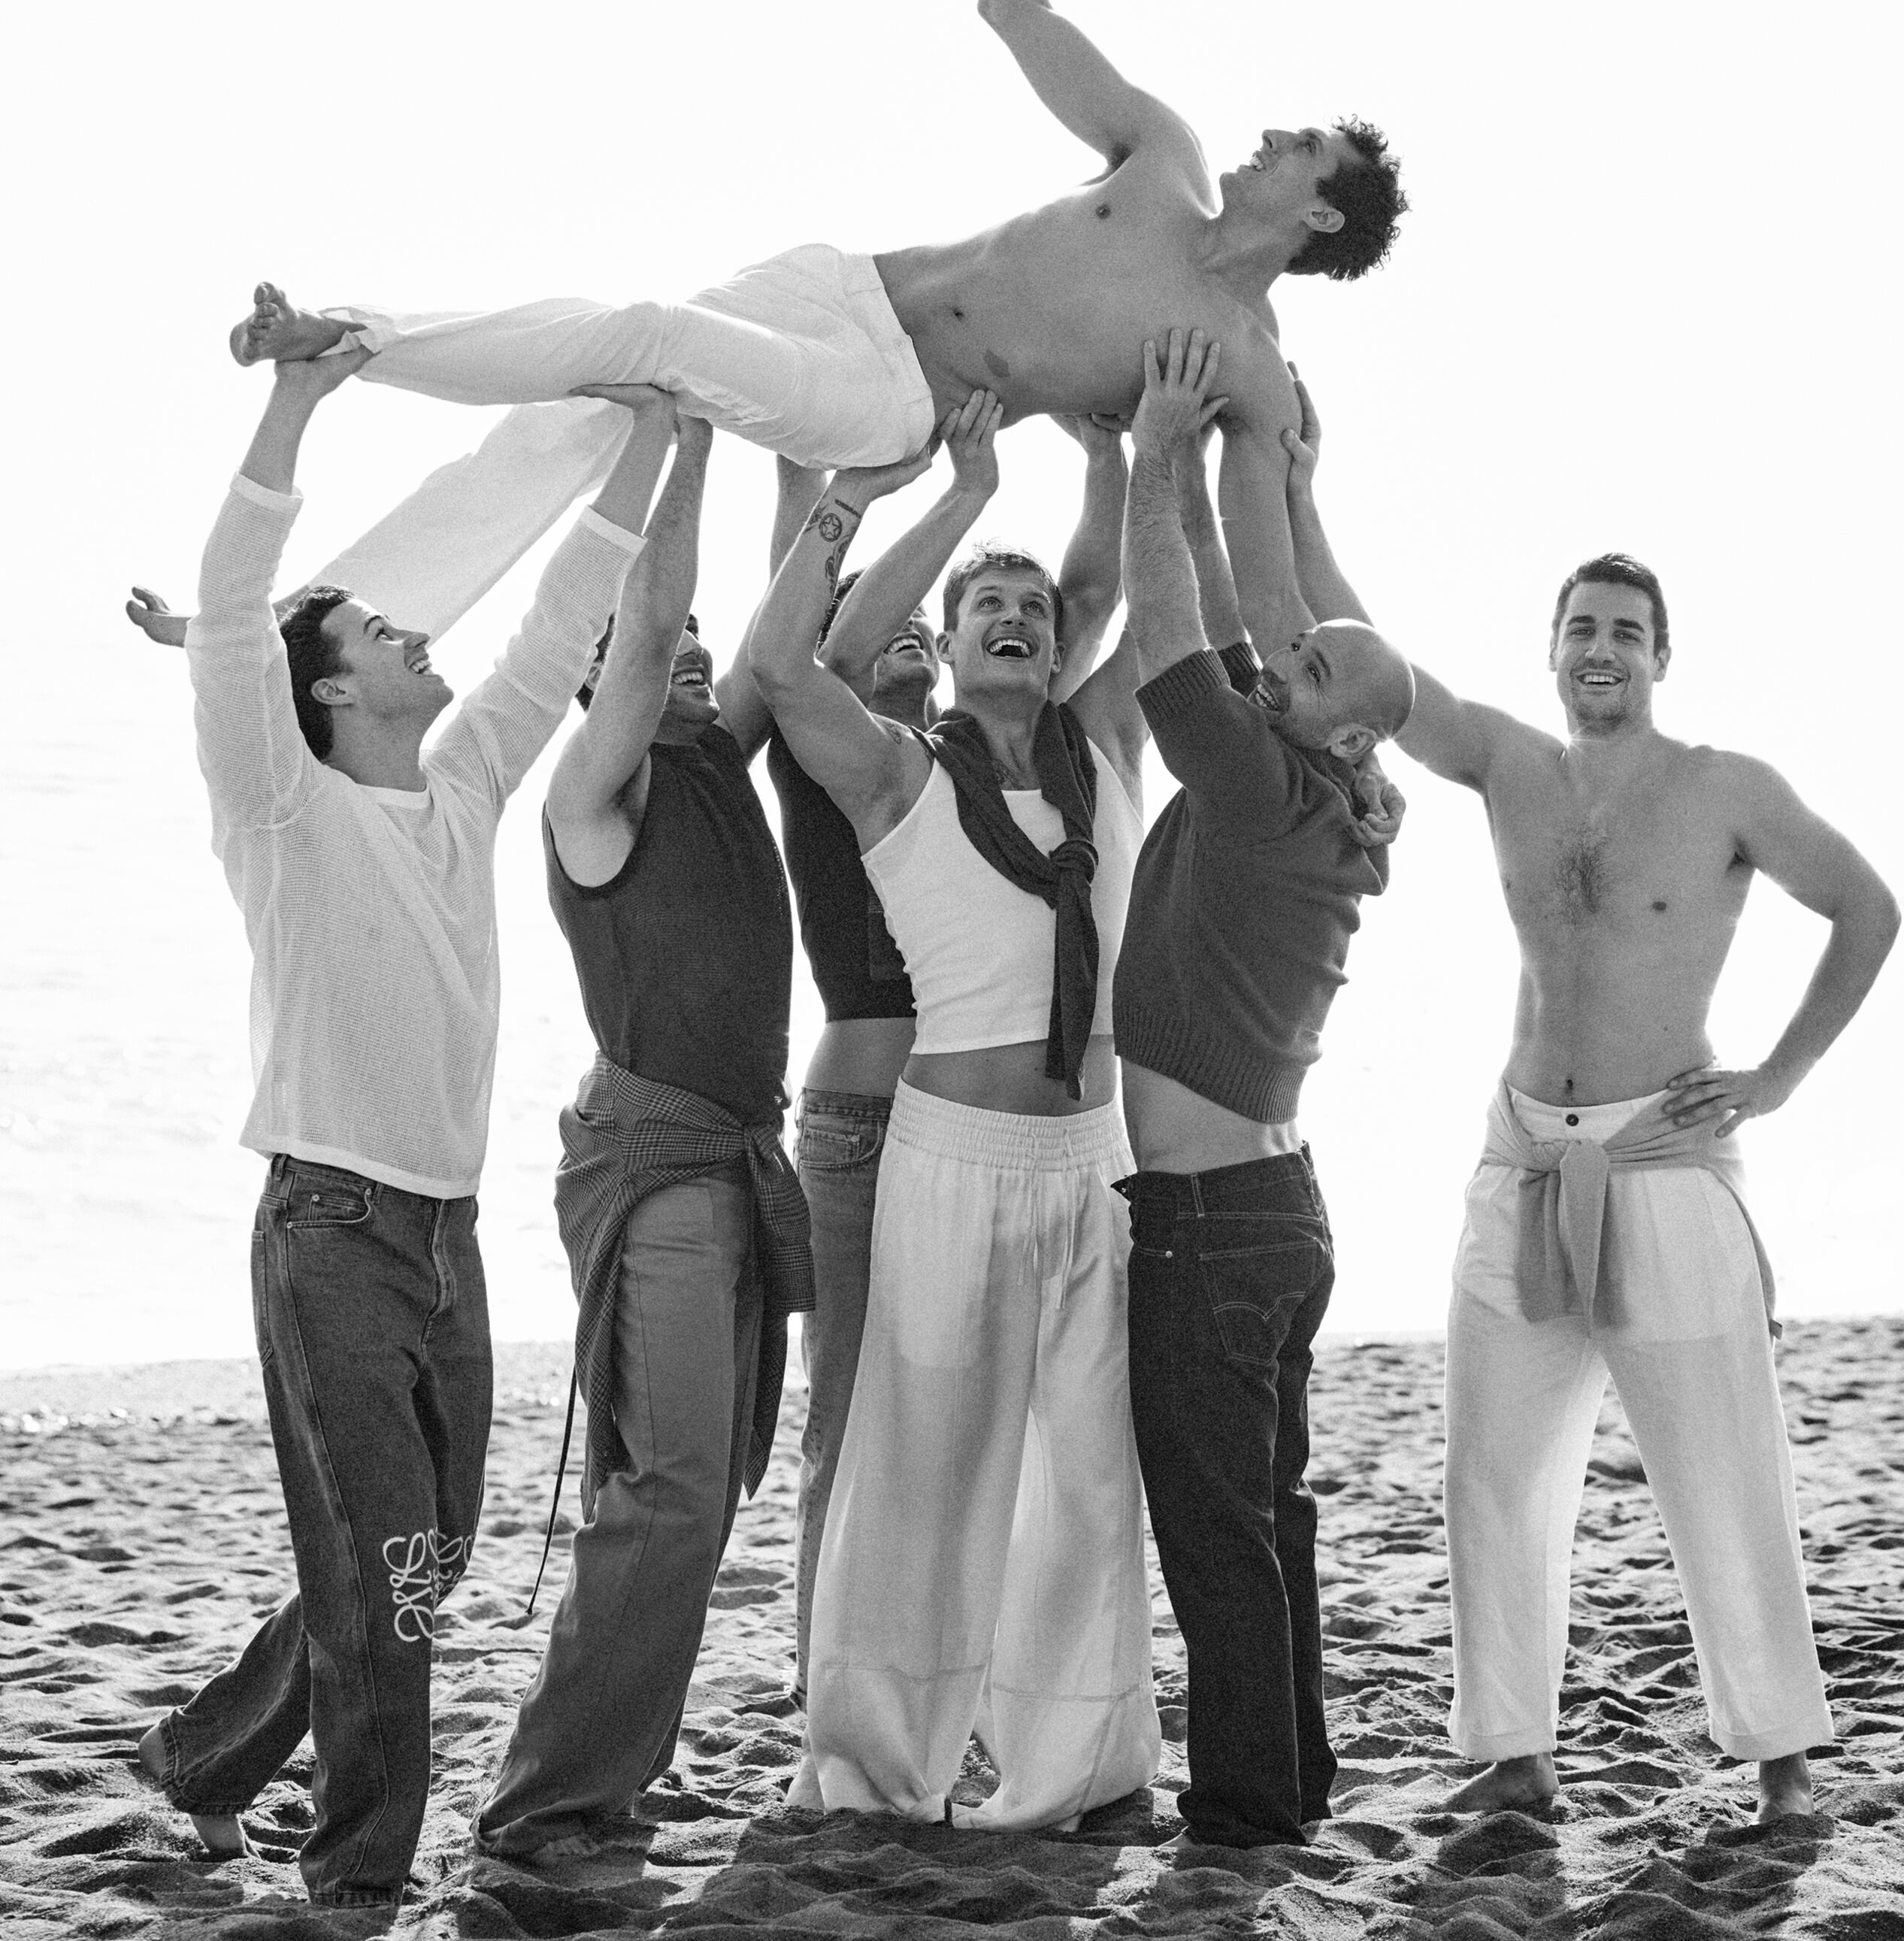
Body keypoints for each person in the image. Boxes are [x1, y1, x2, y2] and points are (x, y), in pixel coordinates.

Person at [219, 0, 1404, 656]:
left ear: (1318, 219)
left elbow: (1265, 587)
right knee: (598, 396)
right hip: (839, 290)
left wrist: (1359, 714)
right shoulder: (1165, 158)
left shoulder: (1245, 364)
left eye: (1304, 150)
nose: (1272, 139)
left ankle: (353, 338)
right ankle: (318, 618)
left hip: (889, 404)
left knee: (648, 335)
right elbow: (1013, 2)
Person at [135, 353, 667, 1907]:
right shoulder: (280, 808)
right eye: (375, 627)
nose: (411, 631)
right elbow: (237, 604)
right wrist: (301, 395)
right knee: (393, 1579)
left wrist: (653, 428)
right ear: (322, 688)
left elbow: (568, 612)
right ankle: (359, 1874)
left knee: (417, 1559)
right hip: (331, 1235)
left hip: (446, 1233)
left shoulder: (462, 788)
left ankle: (205, 1759)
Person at [1359, 531, 1902, 1822]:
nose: (1598, 649)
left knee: (1722, 1465)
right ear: (1551, 649)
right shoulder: (1508, 766)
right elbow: (1370, 671)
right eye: (1579, 628)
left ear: (1661, 657)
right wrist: (1296, 479)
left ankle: (1779, 1759)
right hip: (1525, 1159)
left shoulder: (1725, 786)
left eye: (1622, 631)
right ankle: (1513, 1753)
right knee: (1492, 1469)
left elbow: (1866, 907)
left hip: (1666, 1158)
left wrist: (1777, 1076)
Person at [746, 433, 1160, 1834]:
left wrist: (1123, 448)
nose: (1019, 620)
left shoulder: (1102, 749)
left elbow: (1130, 589)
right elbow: (794, 663)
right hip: (947, 1159)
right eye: (991, 606)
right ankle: (874, 1765)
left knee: (1090, 1485)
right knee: (916, 1469)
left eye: (1036, 611)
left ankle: (1075, 1766)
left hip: (1094, 1165)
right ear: (951, 636)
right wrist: (960, 497)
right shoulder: (891, 775)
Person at [474, 407, 816, 1858]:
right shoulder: (591, 795)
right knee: (669, 1489)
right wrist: (689, 445)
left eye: (686, 651)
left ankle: (601, 1767)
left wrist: (846, 502)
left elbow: (776, 630)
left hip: (743, 1156)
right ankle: (550, 1798)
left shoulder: (715, 763)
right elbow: (666, 607)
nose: (684, 656)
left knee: (692, 1485)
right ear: (597, 680)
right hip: (664, 1165)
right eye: (645, 650)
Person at [1111, 336, 1411, 1849]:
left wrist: (1155, 452)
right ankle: (1290, 1785)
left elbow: (1173, 630)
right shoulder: (1327, 788)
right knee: (1268, 1524)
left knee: (1220, 1536)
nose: (1271, 666)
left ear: (1333, 724)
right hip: (1267, 1215)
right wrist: (1276, 466)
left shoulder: (1252, 782)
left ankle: (1239, 1816)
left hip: (1210, 1229)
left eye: (1298, 675)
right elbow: (1258, 619)